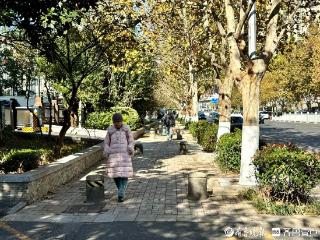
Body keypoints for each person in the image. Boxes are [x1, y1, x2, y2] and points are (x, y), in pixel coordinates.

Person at [103, 113, 134, 202]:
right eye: (115, 122)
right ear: (113, 122)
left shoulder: (126, 129)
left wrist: (130, 147)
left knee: (124, 175)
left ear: (122, 121)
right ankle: (121, 191)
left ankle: (121, 193)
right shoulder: (110, 131)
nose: (117, 124)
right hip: (114, 156)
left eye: (119, 122)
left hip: (125, 155)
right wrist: (107, 150)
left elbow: (131, 140)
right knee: (115, 175)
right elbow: (106, 142)